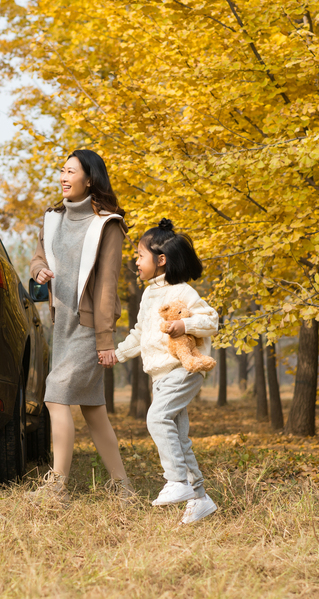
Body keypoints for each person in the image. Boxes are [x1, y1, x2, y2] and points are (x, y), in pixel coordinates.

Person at [29, 150, 135, 505]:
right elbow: (39, 256)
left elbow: (107, 285)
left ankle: (56, 488)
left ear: (89, 179)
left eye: (70, 171)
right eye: (62, 170)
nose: (63, 176)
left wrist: (106, 340)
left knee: (55, 396)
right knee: (94, 411)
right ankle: (123, 489)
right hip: (61, 325)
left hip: (89, 328)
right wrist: (38, 270)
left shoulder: (108, 224)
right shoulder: (52, 219)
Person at [114, 219, 220, 525]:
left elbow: (211, 319)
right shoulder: (149, 295)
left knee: (157, 418)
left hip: (183, 368)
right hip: (160, 376)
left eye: (139, 255)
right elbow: (139, 333)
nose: (135, 261)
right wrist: (116, 353)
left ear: (161, 260)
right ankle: (200, 498)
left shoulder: (182, 291)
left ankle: (177, 481)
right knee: (179, 438)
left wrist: (184, 325)